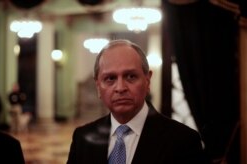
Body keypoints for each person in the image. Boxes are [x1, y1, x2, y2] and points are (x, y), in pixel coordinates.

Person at [67, 39, 210, 164]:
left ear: (147, 81)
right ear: (98, 86)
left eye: (130, 76)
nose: (120, 88)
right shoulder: (82, 138)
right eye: (110, 78)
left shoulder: (183, 141)